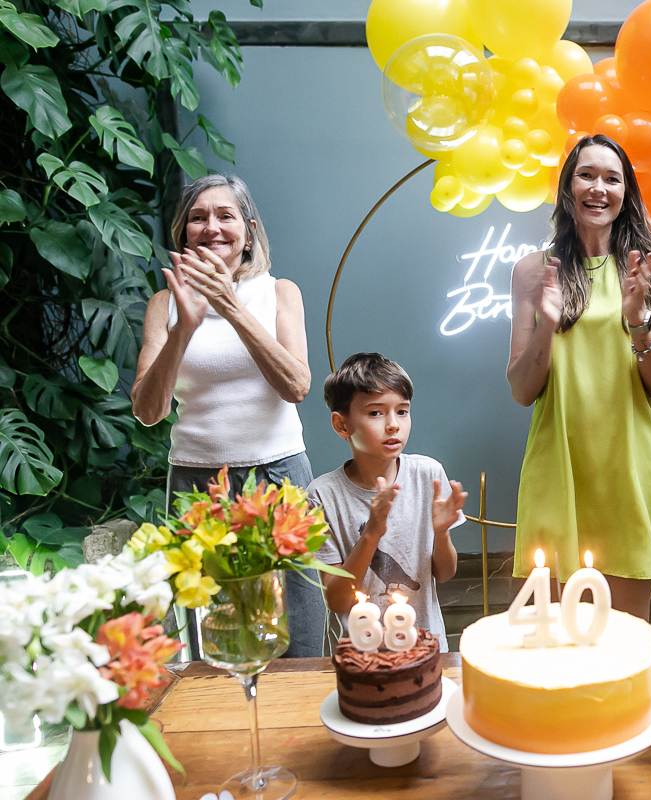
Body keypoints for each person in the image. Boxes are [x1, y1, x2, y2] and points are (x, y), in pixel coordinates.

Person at [131, 174, 324, 658]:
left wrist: (229, 306)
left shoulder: (279, 293)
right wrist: (184, 326)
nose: (211, 227)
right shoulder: (163, 305)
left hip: (279, 475)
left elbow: (296, 385)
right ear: (184, 233)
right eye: (198, 217)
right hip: (197, 484)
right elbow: (149, 411)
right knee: (214, 635)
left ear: (248, 230)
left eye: (225, 215)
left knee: (299, 623)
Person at [507, 134, 651, 619]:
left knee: (627, 643)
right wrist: (547, 323)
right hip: (559, 465)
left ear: (626, 192)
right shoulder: (532, 272)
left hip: (629, 465)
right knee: (558, 643)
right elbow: (523, 390)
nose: (598, 188)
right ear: (567, 187)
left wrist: (637, 320)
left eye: (612, 178)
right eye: (587, 174)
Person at [310, 353, 466, 652]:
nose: (393, 425)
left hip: (424, 651)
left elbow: (445, 574)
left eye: (402, 411)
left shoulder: (427, 475)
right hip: (357, 658)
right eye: (375, 413)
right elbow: (337, 600)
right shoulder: (321, 496)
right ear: (342, 425)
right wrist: (372, 532)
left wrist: (442, 532)